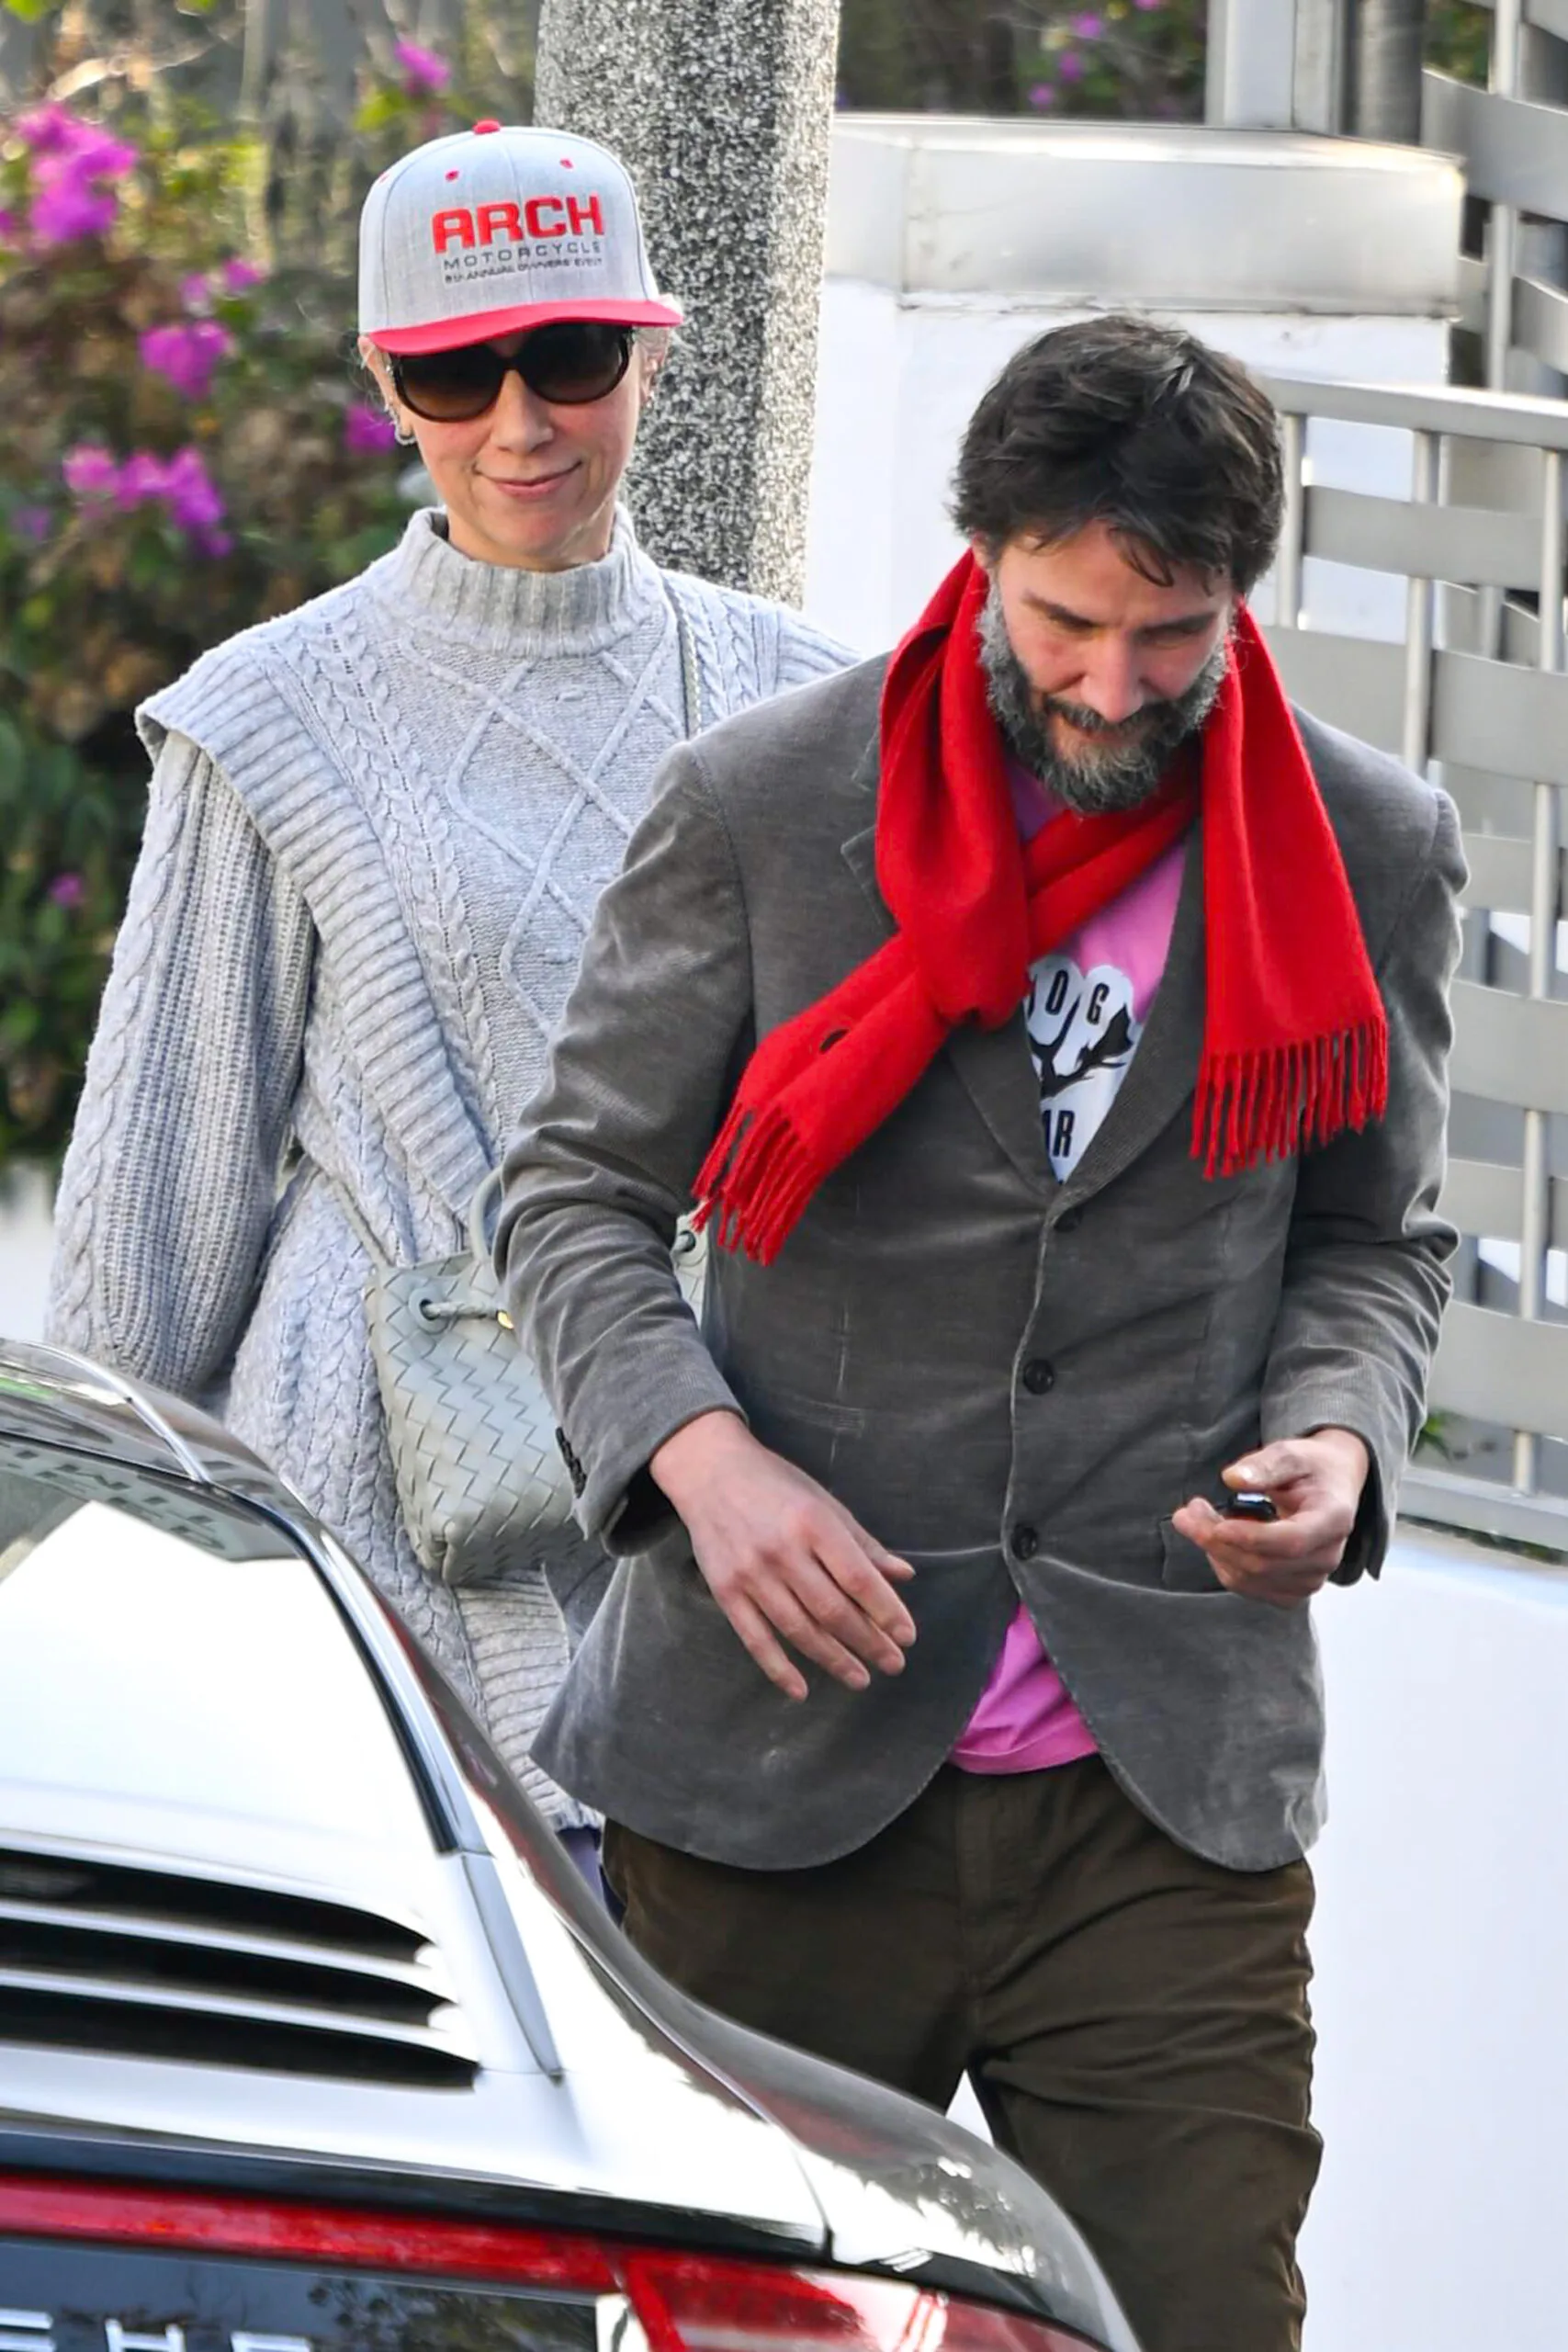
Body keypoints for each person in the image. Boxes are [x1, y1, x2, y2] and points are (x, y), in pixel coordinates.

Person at [495, 315, 1464, 2352]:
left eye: (1173, 635)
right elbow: (572, 1191)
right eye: (1063, 622)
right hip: (769, 1776)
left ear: (1238, 599)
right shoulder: (763, 804)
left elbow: (1375, 1243)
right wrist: (706, 1462)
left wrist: (1343, 1445)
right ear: (977, 554)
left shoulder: (1367, 845)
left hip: (1162, 1791)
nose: (1113, 686)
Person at [45, 120, 851, 1851]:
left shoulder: (803, 697)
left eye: (566, 358)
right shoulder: (270, 714)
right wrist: (108, 1586)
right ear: (386, 388)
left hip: (707, 1508)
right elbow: (159, 1199)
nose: (518, 422)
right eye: (451, 370)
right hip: (358, 1524)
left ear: (645, 351)